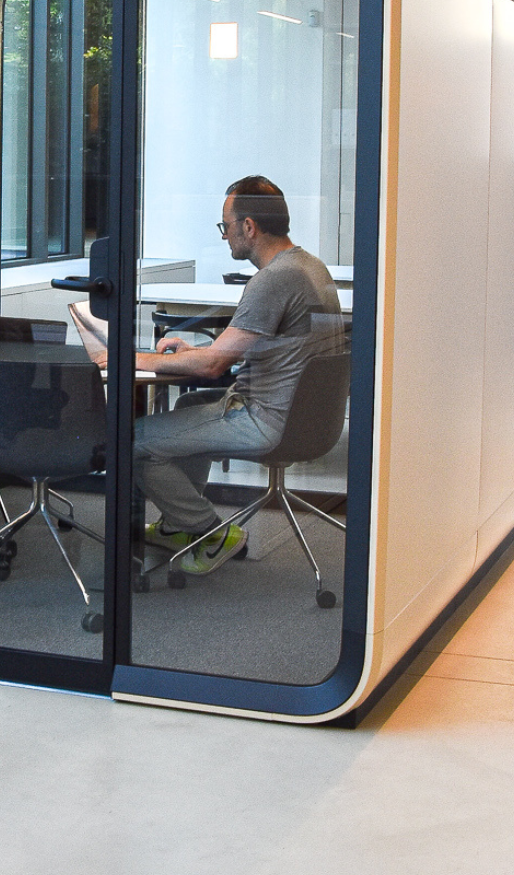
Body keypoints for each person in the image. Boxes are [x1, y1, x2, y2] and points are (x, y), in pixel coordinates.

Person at [113, 175, 342, 576]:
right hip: (307, 418)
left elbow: (213, 366)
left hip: (266, 418)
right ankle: (178, 524)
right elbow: (234, 351)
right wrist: (194, 352)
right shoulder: (310, 265)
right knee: (190, 403)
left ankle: (209, 531)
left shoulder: (275, 278)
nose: (224, 236)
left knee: (132, 440)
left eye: (226, 226)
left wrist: (131, 358)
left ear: (249, 227)